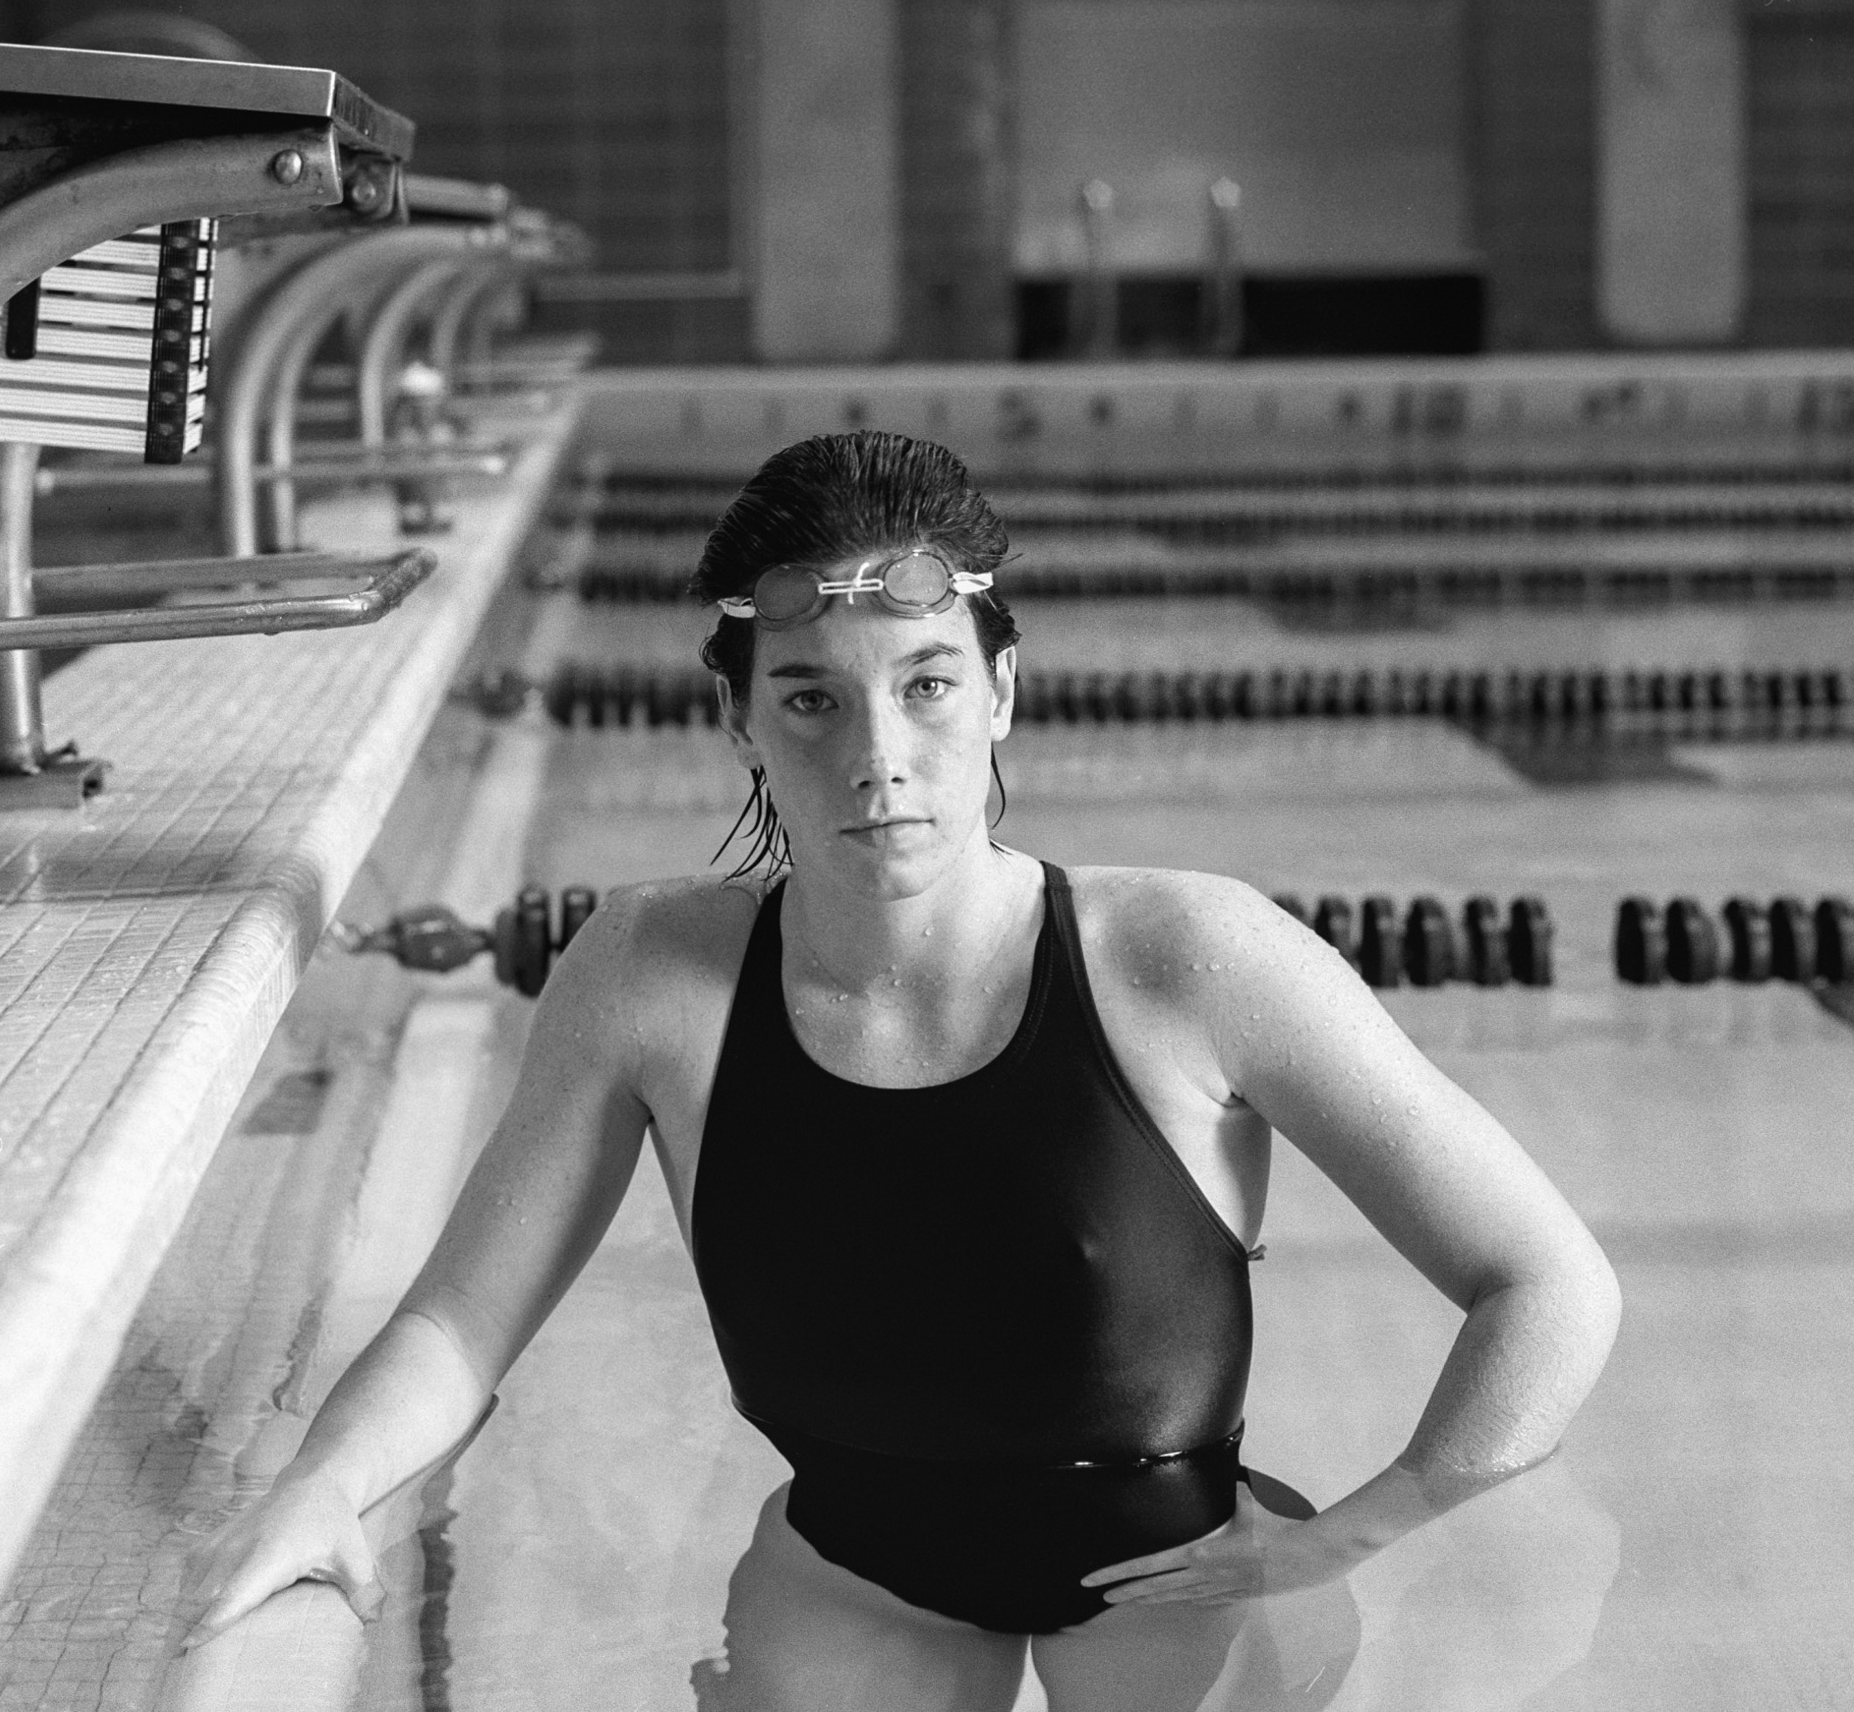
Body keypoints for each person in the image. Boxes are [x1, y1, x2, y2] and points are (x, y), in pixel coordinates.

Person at [182, 432, 1622, 1705]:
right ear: (737, 719)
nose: (878, 757)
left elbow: (1549, 1287)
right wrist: (324, 1484)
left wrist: (1347, 1535)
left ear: (1000, 690)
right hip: (850, 1573)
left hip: (1179, 1583)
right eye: (810, 699)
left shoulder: (1188, 958)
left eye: (925, 685)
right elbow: (458, 1325)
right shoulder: (646, 977)